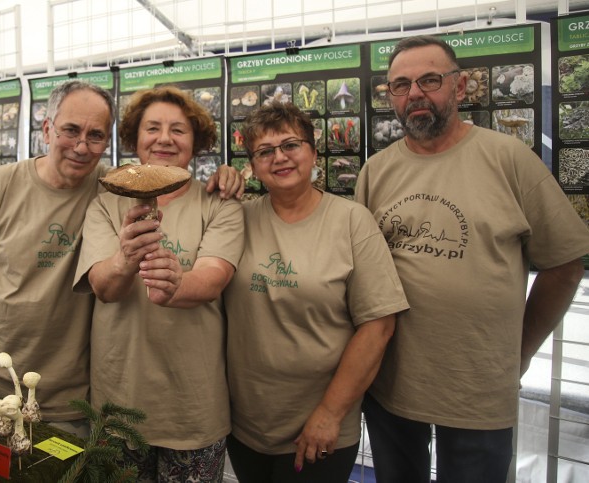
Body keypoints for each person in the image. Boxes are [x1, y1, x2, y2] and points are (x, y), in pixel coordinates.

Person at [0, 81, 242, 437]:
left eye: (96, 136)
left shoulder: (112, 186)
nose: (81, 146)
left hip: (67, 392)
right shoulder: (4, 184)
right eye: (70, 130)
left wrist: (229, 172)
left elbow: (161, 174)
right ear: (46, 129)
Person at [355, 35, 589, 483]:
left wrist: (519, 353)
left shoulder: (510, 160)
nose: (415, 94)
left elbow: (564, 263)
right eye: (401, 85)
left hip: (477, 388)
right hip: (390, 386)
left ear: (460, 88)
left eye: (430, 80)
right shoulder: (376, 170)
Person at [223, 101, 408, 483]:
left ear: (312, 151)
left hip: (319, 428)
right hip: (246, 424)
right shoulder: (237, 218)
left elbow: (379, 325)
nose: (280, 158)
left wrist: (330, 413)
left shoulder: (351, 220)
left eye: (291, 145)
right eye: (265, 151)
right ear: (252, 166)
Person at [73, 86, 244, 481]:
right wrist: (124, 260)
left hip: (193, 408)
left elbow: (211, 280)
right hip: (120, 403)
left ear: (196, 143)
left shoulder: (219, 203)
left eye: (178, 130)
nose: (165, 138)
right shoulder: (105, 203)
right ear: (135, 139)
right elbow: (104, 287)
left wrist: (176, 285)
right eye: (153, 128)